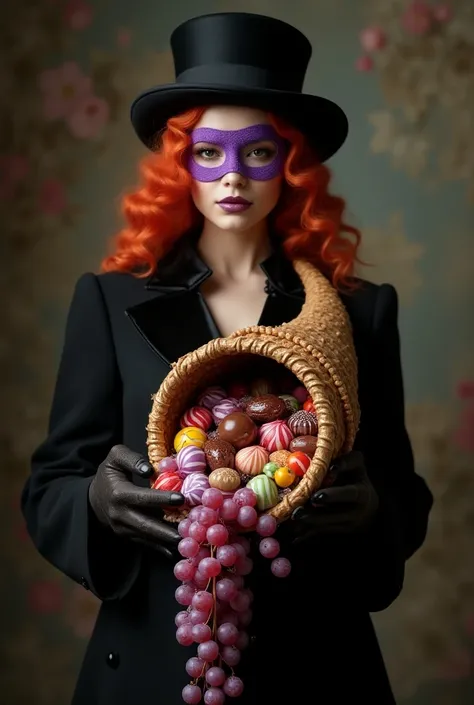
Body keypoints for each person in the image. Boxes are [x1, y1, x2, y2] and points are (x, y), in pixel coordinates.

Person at [21, 11, 433, 705]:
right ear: (179, 162)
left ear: (292, 163)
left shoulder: (357, 312)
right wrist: (93, 501)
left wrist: (370, 513)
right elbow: (50, 483)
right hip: (154, 656)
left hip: (315, 666)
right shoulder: (109, 301)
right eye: (209, 151)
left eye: (258, 152)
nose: (232, 175)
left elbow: (403, 495)